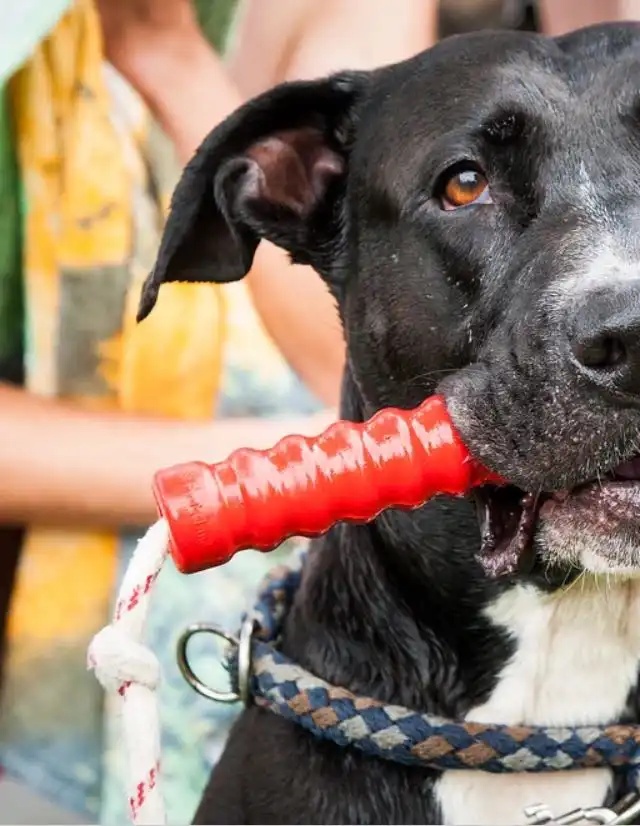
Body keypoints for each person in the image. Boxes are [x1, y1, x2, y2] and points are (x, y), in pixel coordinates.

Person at [0, 1, 438, 822]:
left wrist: (170, 60)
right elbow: (359, 415)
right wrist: (270, 468)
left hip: (334, 638)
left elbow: (352, 356)